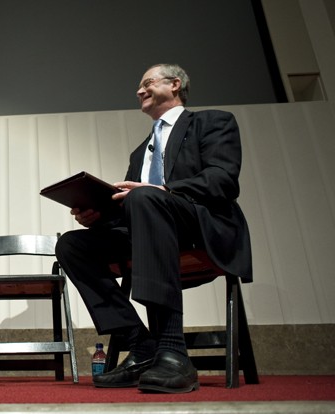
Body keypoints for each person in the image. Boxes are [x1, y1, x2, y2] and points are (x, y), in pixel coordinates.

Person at [55, 64, 252, 393]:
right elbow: (132, 211)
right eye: (138, 86)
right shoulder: (139, 152)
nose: (139, 91)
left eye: (147, 83)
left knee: (145, 198)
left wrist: (165, 191)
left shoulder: (213, 121)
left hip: (200, 226)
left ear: (175, 85)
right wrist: (98, 215)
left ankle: (173, 350)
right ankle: (140, 343)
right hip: (147, 227)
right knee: (72, 246)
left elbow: (223, 180)